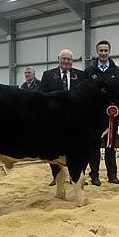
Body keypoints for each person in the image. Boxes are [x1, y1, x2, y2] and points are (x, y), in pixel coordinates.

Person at [40, 49, 86, 186]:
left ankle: (76, 177)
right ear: (58, 59)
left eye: (69, 59)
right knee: (54, 150)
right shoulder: (48, 75)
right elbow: (42, 96)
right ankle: (56, 176)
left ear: (72, 61)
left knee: (77, 149)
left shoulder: (81, 75)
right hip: (54, 120)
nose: (66, 62)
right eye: (64, 59)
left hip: (75, 121)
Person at [85, 40, 119, 186]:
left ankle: (112, 175)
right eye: (101, 50)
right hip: (94, 117)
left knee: (110, 146)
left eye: (105, 50)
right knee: (93, 147)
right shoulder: (89, 71)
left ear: (109, 52)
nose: (103, 53)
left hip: (111, 116)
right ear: (97, 52)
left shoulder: (117, 71)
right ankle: (94, 175)